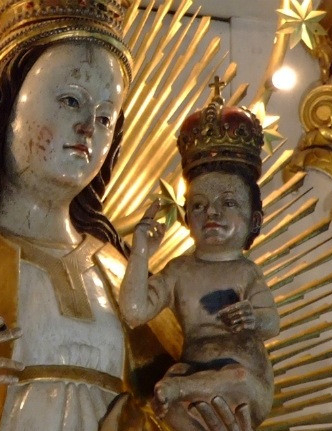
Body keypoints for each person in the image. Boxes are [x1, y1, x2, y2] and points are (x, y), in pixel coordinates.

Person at [0, 3, 259, 431]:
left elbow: (168, 398)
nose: (88, 128)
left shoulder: (118, 273)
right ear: (8, 107)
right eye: (70, 100)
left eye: (105, 117)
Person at [119, 84, 280, 430]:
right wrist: (141, 252)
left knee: (236, 377)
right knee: (167, 409)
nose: (212, 213)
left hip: (244, 378)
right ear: (185, 218)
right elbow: (133, 312)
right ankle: (183, 388)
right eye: (199, 205)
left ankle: (183, 388)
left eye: (228, 202)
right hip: (190, 375)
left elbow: (272, 323)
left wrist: (252, 318)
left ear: (254, 220)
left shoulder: (246, 272)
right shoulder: (180, 271)